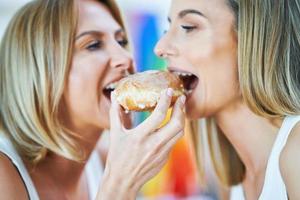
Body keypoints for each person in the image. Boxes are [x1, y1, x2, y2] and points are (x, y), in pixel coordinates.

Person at [0, 0, 186, 199]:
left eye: (121, 41)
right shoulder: (4, 176)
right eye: (94, 45)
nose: (125, 57)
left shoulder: (108, 161)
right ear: (40, 72)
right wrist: (119, 186)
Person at [155, 0, 300, 199]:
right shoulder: (234, 183)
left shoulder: (296, 153)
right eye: (167, 29)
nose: (160, 48)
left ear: (253, 38)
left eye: (188, 27)